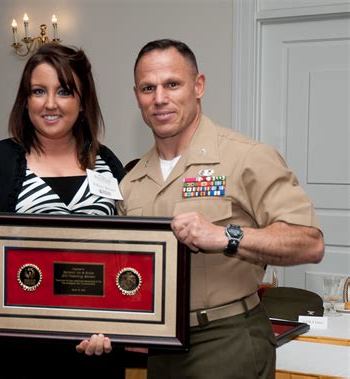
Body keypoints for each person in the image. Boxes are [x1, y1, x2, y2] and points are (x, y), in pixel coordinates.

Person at [117, 39, 325, 378]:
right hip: (161, 346)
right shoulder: (132, 181)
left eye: (172, 84)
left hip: (227, 338)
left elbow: (310, 243)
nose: (159, 98)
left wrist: (226, 235)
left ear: (198, 86)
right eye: (147, 88)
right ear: (137, 95)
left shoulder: (245, 157)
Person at [0, 43, 126, 378]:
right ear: (25, 100)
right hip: (21, 349)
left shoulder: (108, 164)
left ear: (83, 102)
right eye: (39, 91)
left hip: (97, 348)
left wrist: (121, 326)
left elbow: (126, 254)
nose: (50, 103)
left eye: (65, 91)